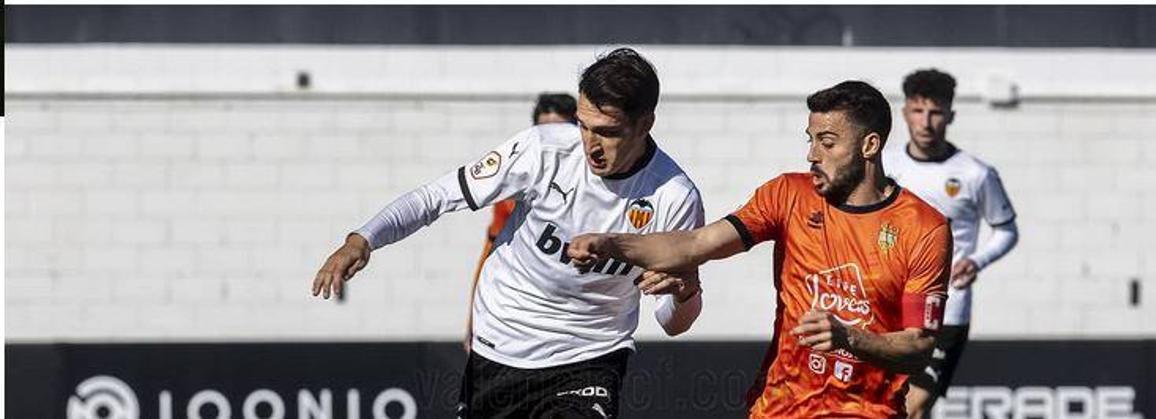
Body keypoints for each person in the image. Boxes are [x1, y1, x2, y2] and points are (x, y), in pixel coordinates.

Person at [312, 47, 705, 418]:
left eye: (607, 131)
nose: (591, 145)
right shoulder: (543, 150)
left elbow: (673, 322)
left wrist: (684, 289)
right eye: (584, 126)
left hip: (589, 357)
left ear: (645, 123)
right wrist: (362, 239)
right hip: (501, 343)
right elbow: (436, 197)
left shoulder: (674, 197)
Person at [568, 81, 951, 418]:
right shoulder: (787, 194)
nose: (812, 154)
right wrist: (612, 244)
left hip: (867, 411)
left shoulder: (924, 228)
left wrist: (849, 338)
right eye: (811, 139)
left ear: (870, 145)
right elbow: (699, 243)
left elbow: (919, 346)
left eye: (828, 142)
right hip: (778, 407)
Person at [884, 69, 1019, 419]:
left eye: (935, 112)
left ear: (951, 115)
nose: (925, 122)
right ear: (905, 114)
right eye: (917, 111)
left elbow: (1007, 230)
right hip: (888, 304)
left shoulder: (976, 174)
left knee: (913, 406)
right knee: (883, 405)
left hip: (946, 309)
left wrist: (977, 260)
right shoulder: (886, 166)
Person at [465, 93, 579, 352]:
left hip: (579, 321)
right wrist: (472, 321)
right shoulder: (514, 193)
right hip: (522, 318)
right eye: (544, 131)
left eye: (560, 130)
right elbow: (489, 255)